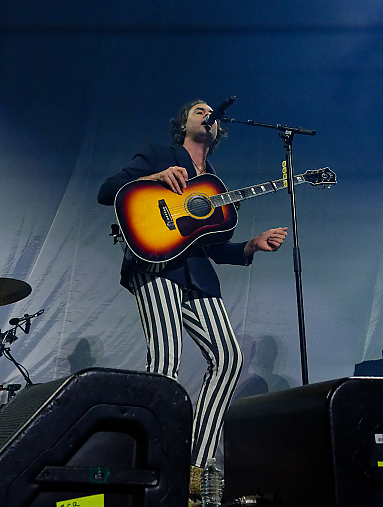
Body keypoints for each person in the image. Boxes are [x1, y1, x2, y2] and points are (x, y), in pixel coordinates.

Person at [97, 99, 288, 500]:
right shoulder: (160, 154)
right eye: (199, 110)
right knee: (165, 360)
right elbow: (107, 190)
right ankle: (153, 463)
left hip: (197, 275)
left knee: (229, 357)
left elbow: (207, 245)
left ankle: (196, 466)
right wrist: (154, 176)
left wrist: (251, 245)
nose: (207, 115)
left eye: (210, 114)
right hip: (155, 265)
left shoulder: (213, 183)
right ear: (183, 123)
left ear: (218, 131)